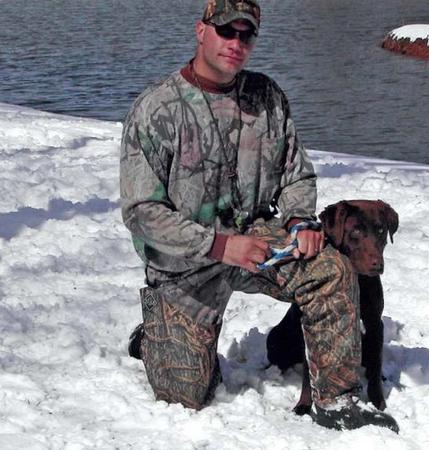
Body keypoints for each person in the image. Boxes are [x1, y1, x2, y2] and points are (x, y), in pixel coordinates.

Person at [120, 0, 398, 432]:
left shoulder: (267, 97)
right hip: (184, 264)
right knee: (187, 396)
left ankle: (335, 399)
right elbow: (142, 213)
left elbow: (296, 174)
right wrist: (219, 246)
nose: (236, 42)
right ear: (201, 31)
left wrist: (300, 221)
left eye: (246, 34)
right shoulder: (157, 109)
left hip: (257, 241)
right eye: (225, 31)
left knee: (331, 269)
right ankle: (155, 335)